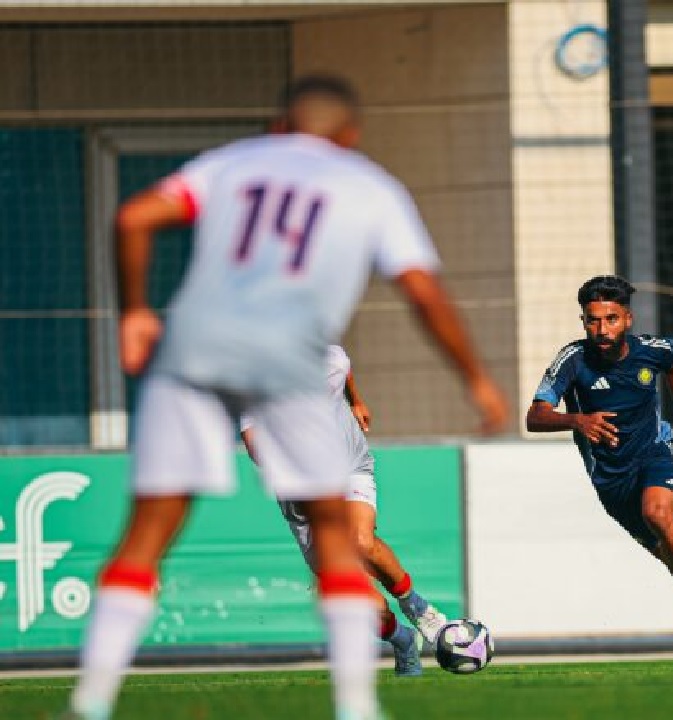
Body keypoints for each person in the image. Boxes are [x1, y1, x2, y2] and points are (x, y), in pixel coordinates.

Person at [66, 74, 508, 720]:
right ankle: (357, 706)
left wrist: (133, 312)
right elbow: (423, 290)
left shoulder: (230, 163)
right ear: (349, 136)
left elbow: (133, 216)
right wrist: (475, 377)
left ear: (278, 126)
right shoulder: (367, 185)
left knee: (146, 532)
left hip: (192, 344)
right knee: (335, 535)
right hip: (286, 354)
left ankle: (91, 700)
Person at [525, 275, 673, 656]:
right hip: (610, 479)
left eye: (611, 319)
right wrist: (577, 420)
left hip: (655, 451)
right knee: (670, 552)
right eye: (593, 320)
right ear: (584, 321)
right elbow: (535, 416)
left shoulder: (654, 350)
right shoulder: (572, 360)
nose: (602, 329)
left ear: (627, 319)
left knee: (659, 513)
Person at [240, 345, 449, 677]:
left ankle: (418, 608)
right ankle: (402, 640)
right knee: (349, 588)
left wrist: (356, 401)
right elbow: (253, 442)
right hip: (300, 488)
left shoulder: (326, 352)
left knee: (361, 540)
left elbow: (343, 368)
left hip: (349, 463)